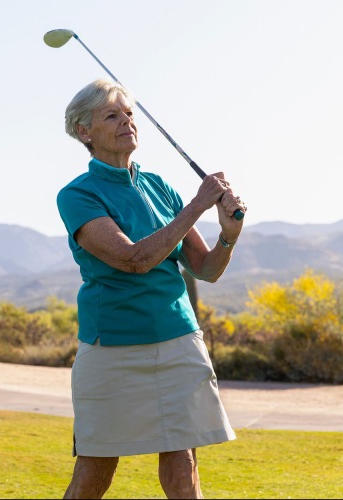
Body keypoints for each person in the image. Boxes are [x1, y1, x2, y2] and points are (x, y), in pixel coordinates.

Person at [56, 78, 248, 499]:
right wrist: (197, 206)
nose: (127, 121)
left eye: (129, 113)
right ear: (85, 132)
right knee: (94, 472)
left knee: (184, 470)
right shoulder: (77, 195)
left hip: (178, 340)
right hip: (113, 348)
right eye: (112, 115)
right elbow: (134, 259)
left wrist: (228, 235)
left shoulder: (159, 186)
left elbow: (205, 269)